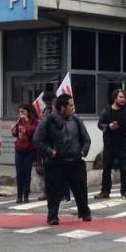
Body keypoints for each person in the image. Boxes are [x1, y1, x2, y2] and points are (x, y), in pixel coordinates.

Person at [34, 93, 93, 226]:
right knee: (53, 191)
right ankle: (52, 216)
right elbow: (38, 140)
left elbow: (86, 139)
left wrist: (83, 151)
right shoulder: (48, 121)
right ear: (61, 108)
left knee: (81, 189)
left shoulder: (76, 120)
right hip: (55, 164)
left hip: (75, 162)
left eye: (73, 105)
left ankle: (85, 212)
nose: (73, 108)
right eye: (70, 105)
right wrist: (51, 152)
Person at [96, 90, 126, 199]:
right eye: (120, 97)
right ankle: (105, 191)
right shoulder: (106, 111)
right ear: (115, 98)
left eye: (124, 97)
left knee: (124, 169)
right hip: (109, 145)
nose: (123, 99)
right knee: (106, 169)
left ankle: (125, 191)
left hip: (123, 145)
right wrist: (108, 126)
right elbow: (100, 124)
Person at [11, 103, 39, 203]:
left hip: (29, 150)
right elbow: (16, 134)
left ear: (28, 112)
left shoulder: (34, 122)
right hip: (19, 150)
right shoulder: (19, 121)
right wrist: (13, 130)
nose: (21, 113)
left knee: (27, 173)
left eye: (23, 111)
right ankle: (19, 196)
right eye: (19, 112)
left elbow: (33, 132)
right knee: (19, 173)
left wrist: (26, 121)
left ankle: (26, 195)